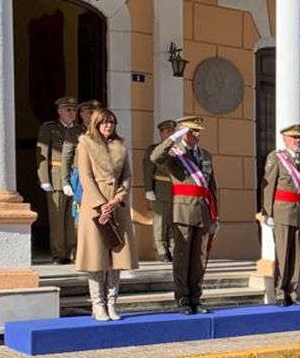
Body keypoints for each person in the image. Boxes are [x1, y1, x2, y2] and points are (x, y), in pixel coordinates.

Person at [74, 107, 138, 321]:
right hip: (95, 206)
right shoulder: (85, 143)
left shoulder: (121, 146)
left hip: (117, 206)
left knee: (117, 256)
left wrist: (118, 199)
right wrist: (101, 204)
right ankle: (98, 304)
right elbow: (86, 176)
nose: (108, 126)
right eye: (104, 122)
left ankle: (112, 303)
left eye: (111, 122)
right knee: (96, 257)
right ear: (96, 124)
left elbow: (127, 177)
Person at [150, 116, 219, 315]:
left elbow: (212, 186)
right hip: (183, 211)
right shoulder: (174, 153)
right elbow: (155, 157)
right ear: (181, 132)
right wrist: (174, 138)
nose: (196, 135)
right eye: (191, 131)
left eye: (198, 131)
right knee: (182, 258)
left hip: (204, 211)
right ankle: (182, 298)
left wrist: (216, 215)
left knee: (200, 259)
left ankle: (196, 298)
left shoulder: (206, 155)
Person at [261, 124, 300, 306]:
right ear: (284, 139)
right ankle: (280, 292)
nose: (297, 140)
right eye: (293, 137)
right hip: (282, 211)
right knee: (283, 253)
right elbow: (268, 187)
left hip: (299, 212)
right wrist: (267, 212)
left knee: (296, 256)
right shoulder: (276, 158)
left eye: (299, 137)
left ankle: (292, 291)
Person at [36, 96, 82, 264]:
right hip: (55, 176)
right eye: (68, 110)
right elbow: (42, 152)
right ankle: (59, 252)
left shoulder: (80, 130)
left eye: (74, 110)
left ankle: (72, 250)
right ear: (59, 111)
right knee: (57, 217)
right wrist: (44, 178)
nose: (72, 113)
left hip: (75, 176)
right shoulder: (49, 128)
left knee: (73, 217)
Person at [143, 120, 178, 262]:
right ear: (161, 133)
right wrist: (149, 189)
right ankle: (162, 250)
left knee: (173, 220)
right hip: (161, 187)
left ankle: (173, 248)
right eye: (167, 131)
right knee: (161, 220)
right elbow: (147, 169)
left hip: (175, 189)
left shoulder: (177, 149)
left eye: (172, 131)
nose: (170, 134)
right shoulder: (153, 149)